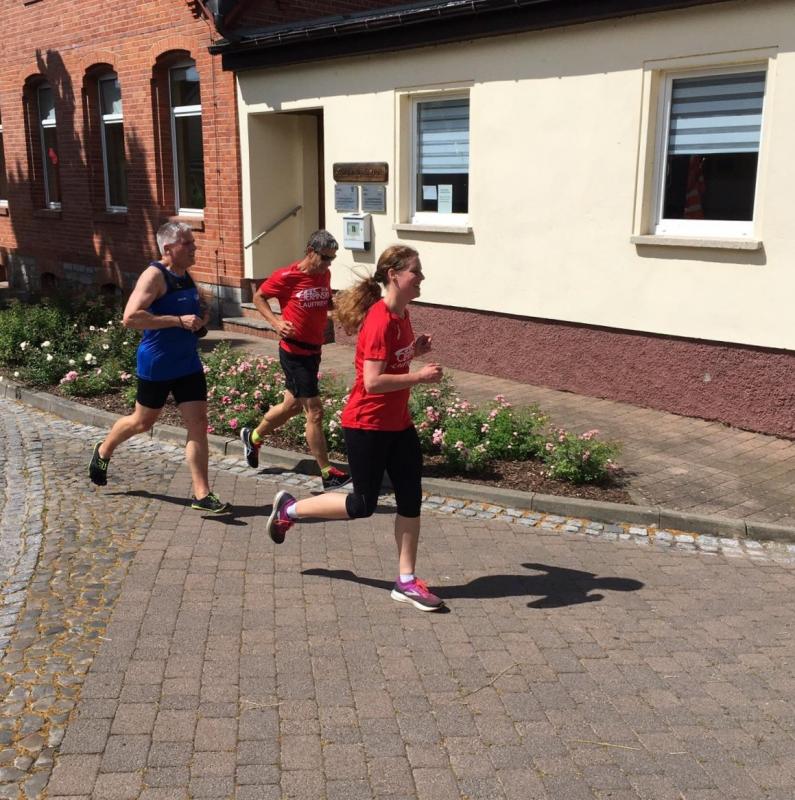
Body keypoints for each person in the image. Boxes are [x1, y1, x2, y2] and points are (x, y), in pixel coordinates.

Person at [265, 245, 445, 611]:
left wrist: (414, 352)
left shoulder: (402, 314)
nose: (421, 277)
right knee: (363, 504)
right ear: (394, 275)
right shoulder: (380, 320)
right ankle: (289, 511)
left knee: (411, 497)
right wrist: (419, 376)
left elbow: (390, 361)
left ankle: (406, 581)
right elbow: (373, 382)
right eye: (416, 271)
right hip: (367, 425)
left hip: (398, 424)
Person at [88, 221, 230, 514]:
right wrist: (176, 321)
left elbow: (192, 305)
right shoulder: (154, 276)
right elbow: (130, 318)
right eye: (187, 243)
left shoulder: (184, 274)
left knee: (198, 423)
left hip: (187, 362)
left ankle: (202, 494)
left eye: (193, 242)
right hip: (157, 363)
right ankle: (104, 449)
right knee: (142, 422)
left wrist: (200, 317)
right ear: (168, 249)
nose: (194, 248)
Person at [240, 230, 350, 490]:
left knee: (291, 406)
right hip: (294, 352)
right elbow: (258, 297)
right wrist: (276, 322)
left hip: (314, 351)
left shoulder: (323, 275)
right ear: (310, 251)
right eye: (325, 258)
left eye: (332, 259)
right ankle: (327, 473)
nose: (328, 264)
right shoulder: (286, 276)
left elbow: (325, 304)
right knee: (315, 411)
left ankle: (253, 437)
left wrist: (346, 309)